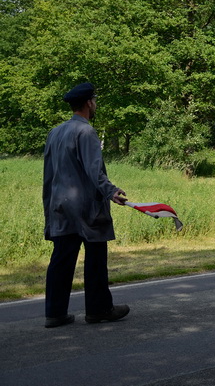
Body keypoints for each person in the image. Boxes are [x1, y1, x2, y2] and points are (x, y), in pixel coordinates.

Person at [42, 82, 130, 328]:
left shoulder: (55, 132)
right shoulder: (86, 132)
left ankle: (55, 313)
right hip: (86, 208)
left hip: (60, 206)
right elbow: (94, 170)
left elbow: (48, 176)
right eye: (95, 100)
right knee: (95, 257)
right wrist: (111, 191)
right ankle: (98, 309)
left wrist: (49, 208)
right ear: (89, 102)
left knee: (61, 259)